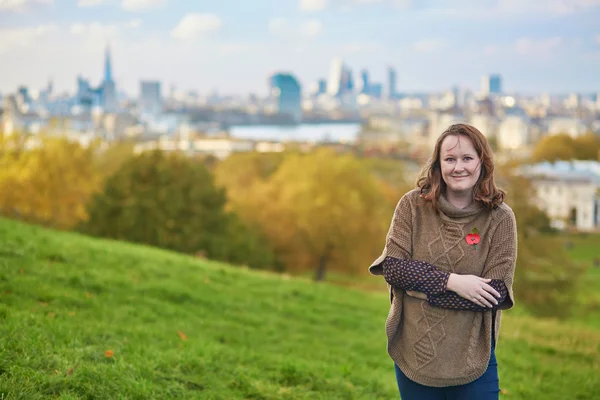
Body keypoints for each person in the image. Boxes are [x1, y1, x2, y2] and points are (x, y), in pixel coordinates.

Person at [369, 123, 517, 400]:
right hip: (416, 352)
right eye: (449, 159)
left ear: (482, 163)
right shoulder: (412, 205)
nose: (458, 167)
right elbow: (393, 267)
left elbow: (494, 293)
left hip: (474, 356)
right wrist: (452, 282)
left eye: (467, 158)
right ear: (438, 164)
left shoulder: (500, 218)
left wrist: (419, 289)